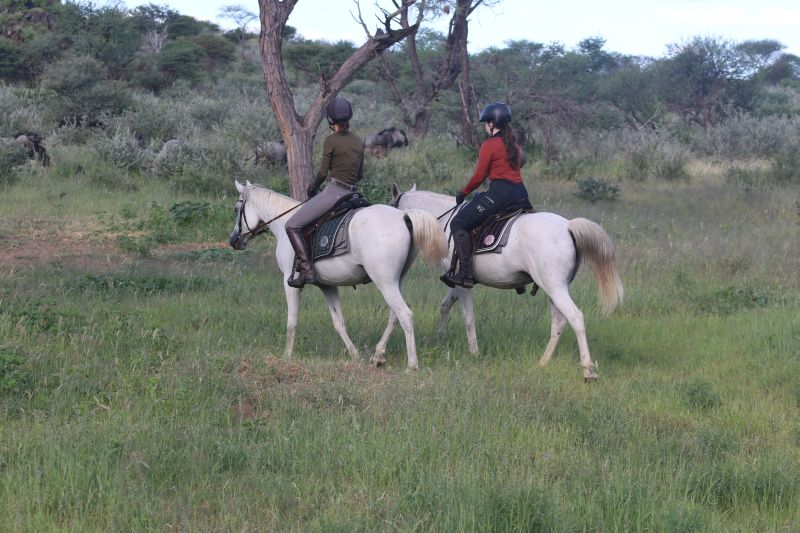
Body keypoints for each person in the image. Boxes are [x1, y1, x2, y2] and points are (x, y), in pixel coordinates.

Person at [440, 102, 530, 288]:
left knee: (459, 223)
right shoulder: (514, 144)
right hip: (520, 194)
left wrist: (463, 192)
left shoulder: (490, 144)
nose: (484, 126)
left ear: (491, 123)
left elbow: (479, 176)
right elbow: (520, 162)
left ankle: (464, 273)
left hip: (500, 193)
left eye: (485, 123)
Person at [285, 96, 365, 288]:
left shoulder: (330, 140)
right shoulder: (358, 141)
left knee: (292, 225)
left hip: (335, 191)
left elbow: (322, 172)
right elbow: (360, 174)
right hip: (354, 192)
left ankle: (306, 270)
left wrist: (312, 187)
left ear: (331, 121)